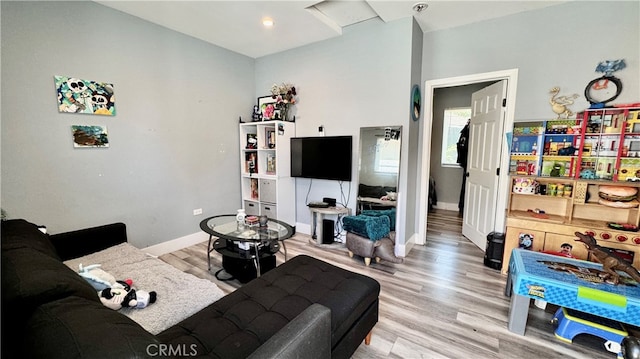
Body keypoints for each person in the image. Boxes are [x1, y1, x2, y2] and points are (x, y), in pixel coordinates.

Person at [457, 120, 470, 214]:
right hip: (467, 163)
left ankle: (464, 208)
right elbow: (461, 146)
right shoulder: (466, 131)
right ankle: (463, 207)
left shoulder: (467, 131)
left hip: (467, 163)